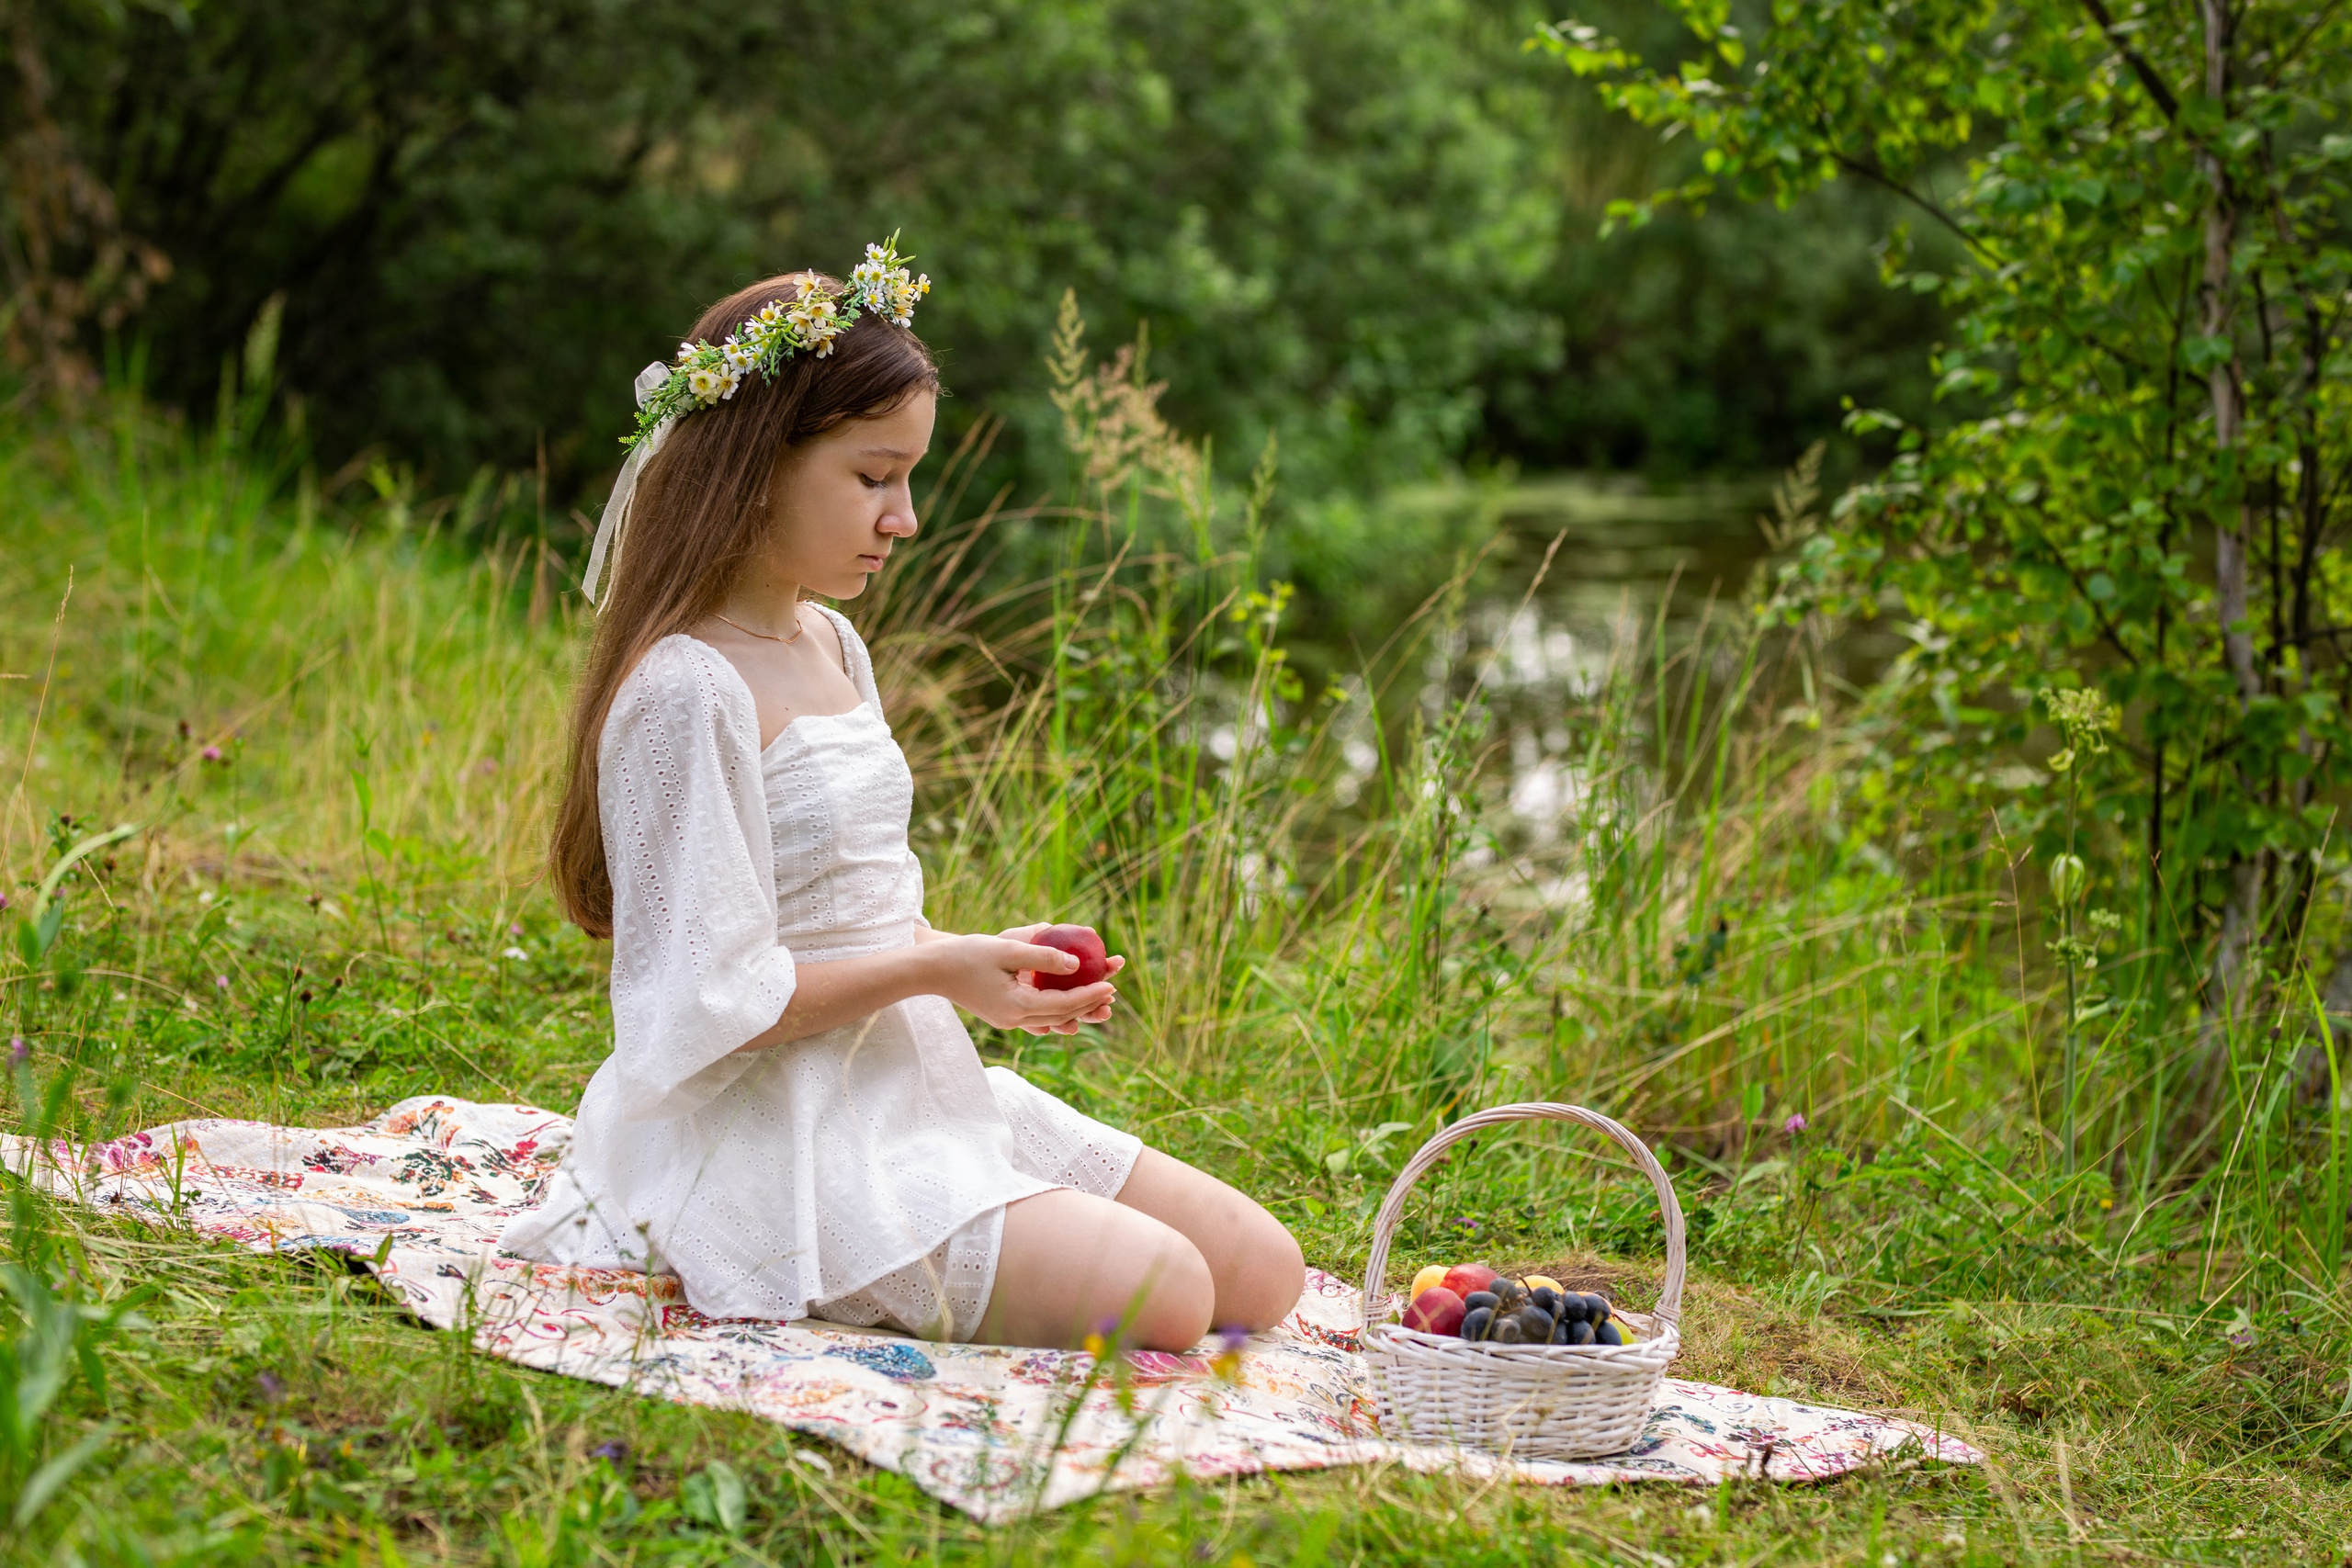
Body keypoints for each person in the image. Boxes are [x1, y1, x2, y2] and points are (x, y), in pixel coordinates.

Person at [498, 243, 1304, 1352]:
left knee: (1264, 1271)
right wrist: (937, 969)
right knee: (1171, 1297)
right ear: (755, 463)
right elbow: (705, 1003)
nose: (904, 517)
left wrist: (980, 962)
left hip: (905, 1076)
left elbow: (851, 905)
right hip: (774, 1125)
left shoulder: (830, 639)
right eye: (874, 477)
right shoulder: (687, 689)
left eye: (908, 479)